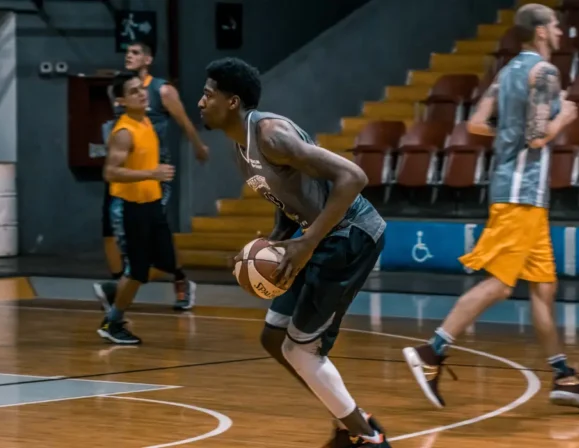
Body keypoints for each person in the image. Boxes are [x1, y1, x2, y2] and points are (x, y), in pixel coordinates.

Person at [402, 3, 579, 410]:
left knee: (544, 287)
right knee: (501, 284)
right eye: (555, 26)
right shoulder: (544, 73)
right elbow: (537, 136)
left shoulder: (506, 73)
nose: (560, 32)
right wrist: (564, 118)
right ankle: (431, 351)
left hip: (519, 194)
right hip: (521, 195)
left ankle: (563, 377)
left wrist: (511, 131)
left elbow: (476, 122)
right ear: (540, 31)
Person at [199, 57, 390, 447]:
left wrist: (306, 242)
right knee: (274, 339)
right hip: (320, 236)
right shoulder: (241, 146)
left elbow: (354, 177)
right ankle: (349, 421)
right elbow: (287, 196)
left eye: (208, 94)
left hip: (351, 235)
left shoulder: (272, 135)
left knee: (301, 350)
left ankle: (368, 437)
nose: (201, 102)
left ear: (232, 102)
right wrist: (276, 238)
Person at [96, 41, 207, 312]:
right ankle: (118, 287)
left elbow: (184, 120)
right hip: (128, 171)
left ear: (148, 59)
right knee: (110, 233)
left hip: (154, 172)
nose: (128, 56)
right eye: (127, 52)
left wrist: (198, 146)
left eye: (135, 52)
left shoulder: (160, 91)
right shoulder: (124, 94)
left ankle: (178, 280)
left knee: (156, 237)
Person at [99, 71, 195, 345]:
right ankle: (113, 321)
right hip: (130, 207)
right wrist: (151, 174)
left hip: (151, 204)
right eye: (133, 92)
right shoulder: (124, 132)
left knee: (167, 261)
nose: (141, 94)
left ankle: (115, 289)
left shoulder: (146, 123)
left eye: (141, 89)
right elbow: (110, 172)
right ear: (120, 101)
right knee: (138, 269)